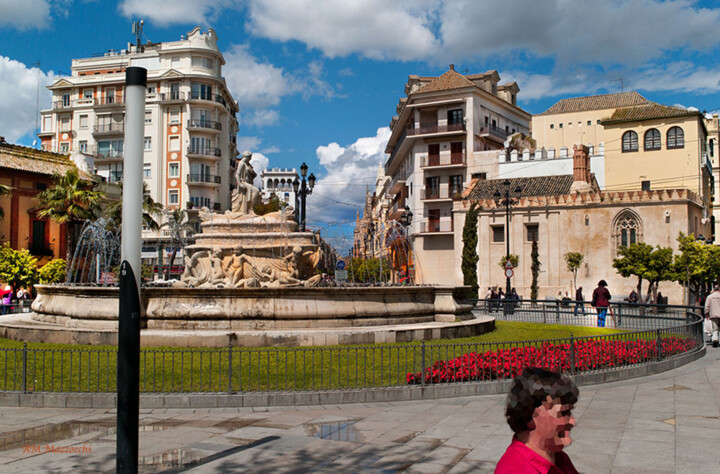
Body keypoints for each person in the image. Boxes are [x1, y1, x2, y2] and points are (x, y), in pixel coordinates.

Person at [495, 367, 580, 473]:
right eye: (562, 414)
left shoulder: (559, 458)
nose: (572, 421)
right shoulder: (514, 470)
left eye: (569, 413)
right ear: (530, 417)